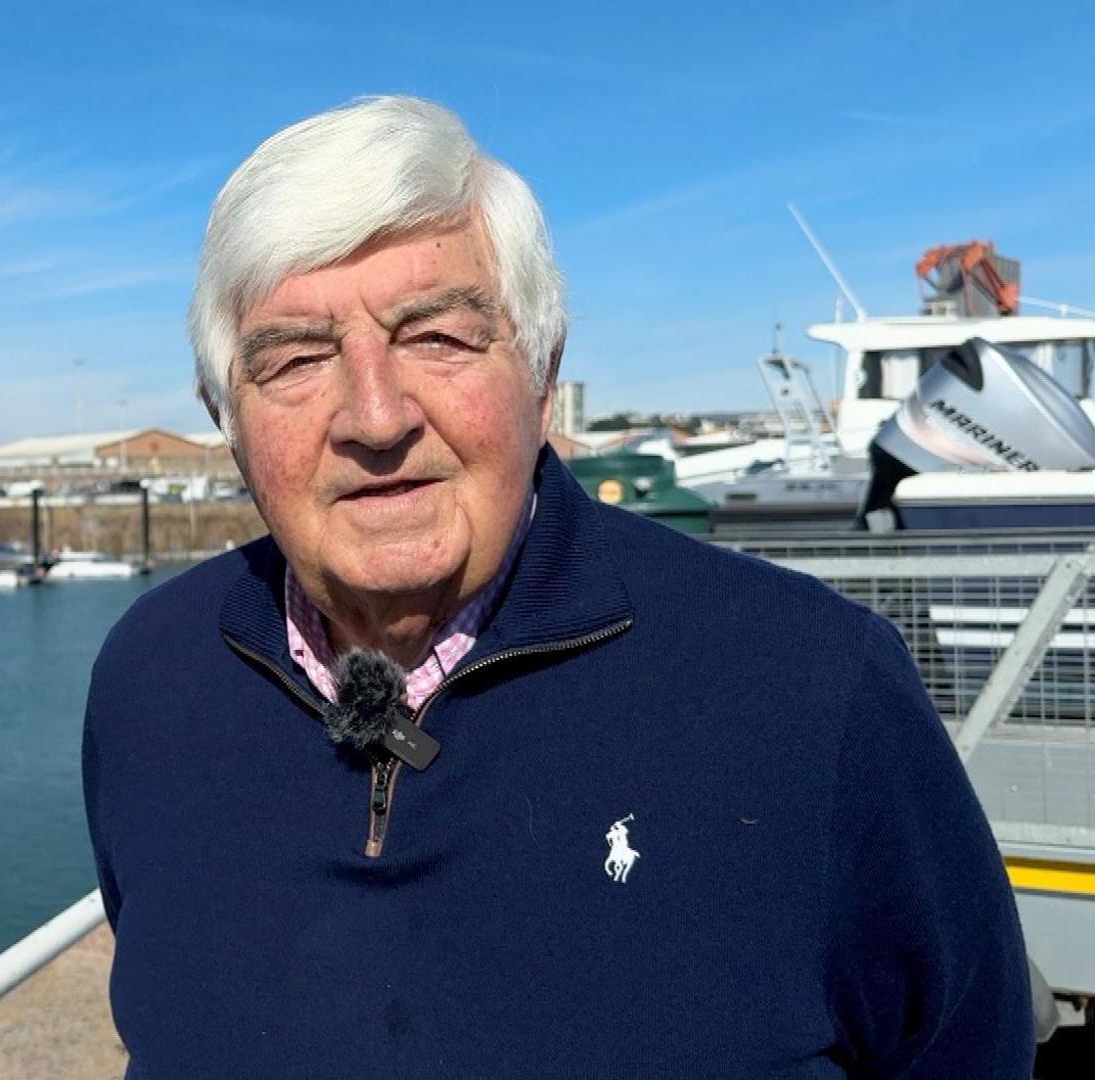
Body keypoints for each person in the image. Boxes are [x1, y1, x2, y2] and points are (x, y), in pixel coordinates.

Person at [81, 96, 1032, 1078]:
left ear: (542, 375)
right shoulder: (152, 681)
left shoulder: (813, 693)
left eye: (437, 337)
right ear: (225, 417)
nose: (374, 415)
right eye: (296, 359)